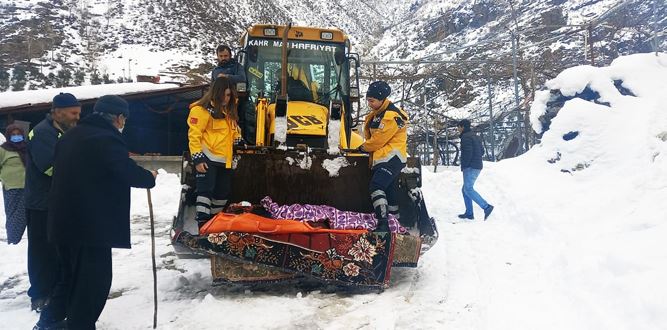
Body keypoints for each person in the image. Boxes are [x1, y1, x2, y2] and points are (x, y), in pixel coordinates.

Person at [35, 95, 157, 330]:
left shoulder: (71, 135)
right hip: (90, 228)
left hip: (63, 222)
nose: (123, 124)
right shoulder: (106, 138)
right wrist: (148, 177)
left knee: (69, 278)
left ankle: (48, 322)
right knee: (91, 284)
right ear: (119, 118)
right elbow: (123, 170)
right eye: (124, 119)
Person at [24, 92, 81, 312]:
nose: (77, 117)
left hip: (59, 202)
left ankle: (59, 288)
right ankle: (40, 294)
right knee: (42, 250)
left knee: (60, 249)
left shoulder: (66, 131)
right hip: (41, 203)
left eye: (78, 113)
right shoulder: (41, 133)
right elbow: (50, 167)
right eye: (73, 113)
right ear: (58, 112)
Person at [188, 77, 242, 226]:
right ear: (216, 93)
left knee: (222, 194)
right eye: (224, 94)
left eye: (229, 95)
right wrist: (198, 159)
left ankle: (213, 224)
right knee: (205, 192)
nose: (226, 98)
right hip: (207, 159)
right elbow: (194, 135)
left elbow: (234, 133)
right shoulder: (200, 110)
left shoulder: (228, 113)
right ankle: (203, 226)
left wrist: (239, 140)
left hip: (225, 161)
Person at [358, 81, 409, 232]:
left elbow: (379, 139)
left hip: (391, 157)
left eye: (372, 101)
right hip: (384, 157)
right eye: (368, 100)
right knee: (390, 191)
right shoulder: (377, 114)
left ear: (382, 99)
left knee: (377, 186)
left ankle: (383, 224)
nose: (369, 104)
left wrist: (362, 148)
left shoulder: (391, 116)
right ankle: (395, 222)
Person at [457, 119, 494, 220]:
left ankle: (486, 207)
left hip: (470, 167)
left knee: (468, 189)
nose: (458, 129)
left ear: (462, 127)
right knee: (465, 190)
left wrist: (465, 165)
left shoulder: (465, 137)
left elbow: (468, 153)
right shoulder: (476, 136)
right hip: (477, 165)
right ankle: (469, 213)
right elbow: (481, 151)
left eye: (458, 127)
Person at [0, 124, 28, 244]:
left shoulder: (27, 148)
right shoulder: (3, 149)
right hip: (11, 186)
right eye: (13, 135)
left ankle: (15, 238)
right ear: (8, 136)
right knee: (11, 214)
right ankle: (13, 240)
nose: (16, 137)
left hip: (27, 185)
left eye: (18, 134)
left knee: (24, 212)